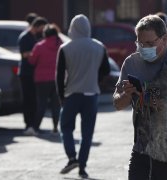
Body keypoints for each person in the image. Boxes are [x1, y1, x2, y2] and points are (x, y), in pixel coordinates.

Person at [113, 14, 167, 180]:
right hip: (142, 146)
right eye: (140, 43)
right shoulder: (131, 63)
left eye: (150, 43)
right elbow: (117, 103)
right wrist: (126, 94)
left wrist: (160, 103)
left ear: (164, 39)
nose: (144, 47)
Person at [56, 14, 110, 178]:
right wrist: (96, 80)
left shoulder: (65, 48)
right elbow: (106, 70)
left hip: (71, 93)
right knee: (87, 133)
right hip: (91, 93)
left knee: (66, 127)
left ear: (72, 28)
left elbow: (59, 75)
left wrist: (61, 97)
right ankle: (82, 167)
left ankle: (72, 157)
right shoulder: (99, 47)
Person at [29, 24, 62, 133]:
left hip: (41, 79)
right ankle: (55, 127)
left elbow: (32, 61)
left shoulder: (39, 46)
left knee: (41, 104)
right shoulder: (61, 45)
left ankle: (35, 127)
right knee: (56, 105)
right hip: (57, 78)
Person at [18, 17, 48, 136]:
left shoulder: (36, 37)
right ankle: (28, 124)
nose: (42, 30)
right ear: (37, 26)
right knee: (28, 100)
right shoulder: (24, 37)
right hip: (26, 73)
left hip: (35, 73)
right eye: (42, 28)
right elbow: (24, 54)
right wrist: (37, 53)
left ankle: (34, 125)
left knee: (35, 101)